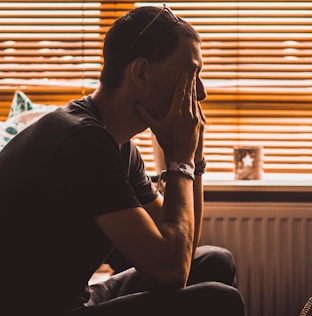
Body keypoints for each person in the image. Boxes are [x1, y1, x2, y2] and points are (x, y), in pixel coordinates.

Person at [0, 4, 246, 316]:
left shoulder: (115, 143)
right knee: (218, 299)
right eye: (191, 75)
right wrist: (179, 160)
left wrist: (193, 159)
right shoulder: (82, 141)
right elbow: (171, 270)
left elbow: (179, 247)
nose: (201, 93)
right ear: (141, 72)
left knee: (215, 259)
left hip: (76, 300)